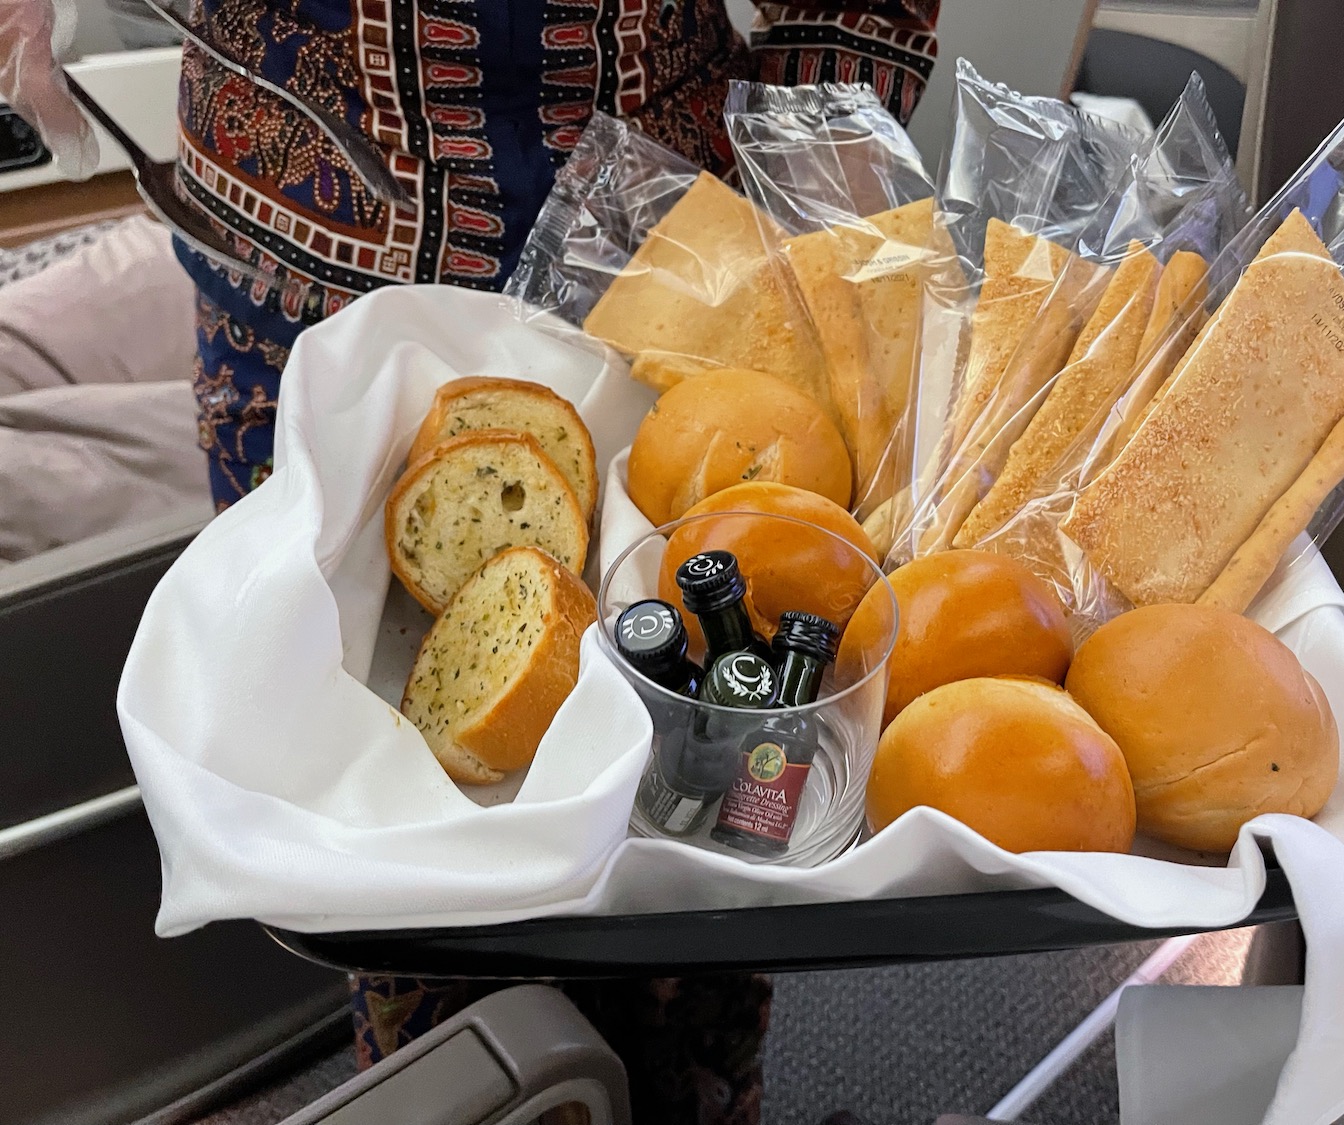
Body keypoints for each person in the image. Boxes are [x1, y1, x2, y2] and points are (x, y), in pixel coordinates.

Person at [0, 2, 940, 1121]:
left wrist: (819, 140)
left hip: (675, 262)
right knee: (395, 885)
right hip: (298, 265)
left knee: (707, 820)